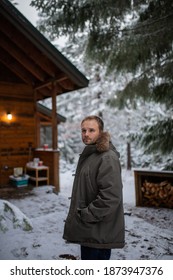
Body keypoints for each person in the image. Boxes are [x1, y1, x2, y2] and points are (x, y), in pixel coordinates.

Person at [63, 115, 125, 260]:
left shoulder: (106, 157)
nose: (86, 134)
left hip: (98, 231)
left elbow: (110, 196)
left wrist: (86, 215)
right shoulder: (92, 154)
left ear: (101, 132)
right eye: (83, 130)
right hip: (90, 231)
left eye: (91, 130)